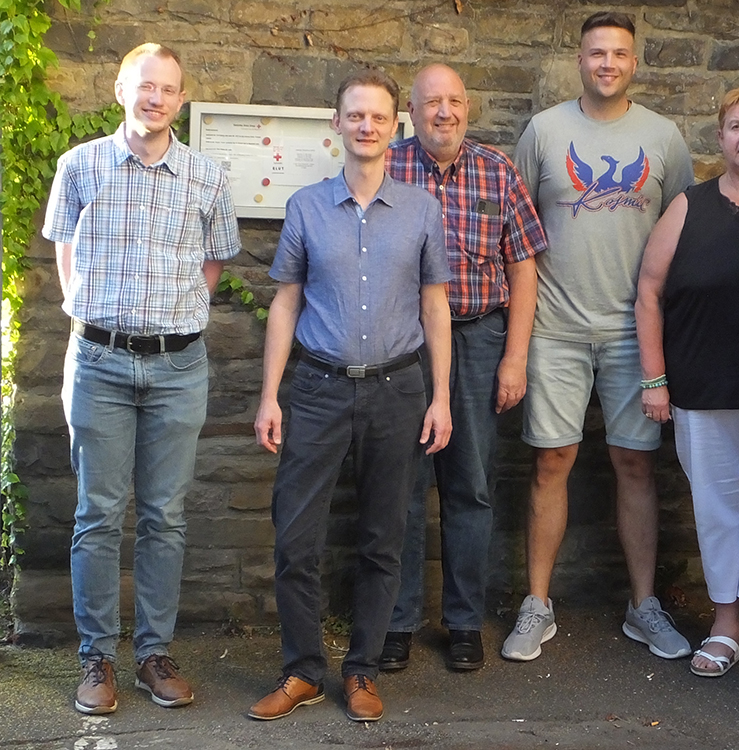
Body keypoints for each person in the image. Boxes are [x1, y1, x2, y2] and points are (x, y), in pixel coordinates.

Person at [247, 69, 452, 723]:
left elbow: (435, 307)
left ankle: (361, 669)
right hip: (316, 388)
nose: (367, 126)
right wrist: (269, 395)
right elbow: (286, 303)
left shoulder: (422, 209)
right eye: (355, 115)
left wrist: (441, 396)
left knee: (383, 539)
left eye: (379, 117)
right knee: (296, 538)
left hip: (398, 389)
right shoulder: (307, 206)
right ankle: (303, 671)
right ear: (336, 124)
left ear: (398, 127)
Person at [42, 42, 240, 716]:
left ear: (180, 100)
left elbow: (211, 268)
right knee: (98, 513)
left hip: (178, 366)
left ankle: (154, 654)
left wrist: (169, 320)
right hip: (97, 362)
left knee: (164, 516)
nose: (156, 99)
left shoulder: (207, 178)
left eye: (168, 89)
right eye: (145, 86)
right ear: (121, 88)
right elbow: (66, 262)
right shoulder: (80, 166)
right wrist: (102, 321)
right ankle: (97, 657)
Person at [503, 10, 694, 662]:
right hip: (554, 329)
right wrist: (518, 341)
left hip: (632, 335)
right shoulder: (544, 132)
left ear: (633, 61)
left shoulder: (663, 139)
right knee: (550, 461)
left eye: (618, 53)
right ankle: (537, 605)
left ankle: (644, 606)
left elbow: (685, 237)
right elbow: (517, 234)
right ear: (580, 60)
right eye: (595, 53)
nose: (607, 63)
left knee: (635, 465)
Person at [379, 63, 547, 672]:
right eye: (430, 103)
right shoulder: (386, 167)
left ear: (467, 106)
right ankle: (394, 623)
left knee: (469, 485)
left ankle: (463, 622)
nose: (442, 112)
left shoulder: (497, 172)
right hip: (403, 347)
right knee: (399, 487)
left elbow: (524, 267)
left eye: (453, 101)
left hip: (479, 342)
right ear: (413, 111)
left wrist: (515, 357)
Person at [635, 85, 739, 679]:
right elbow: (650, 290)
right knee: (720, 510)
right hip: (703, 390)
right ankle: (725, 623)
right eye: (735, 126)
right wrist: (654, 379)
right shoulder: (689, 206)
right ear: (720, 136)